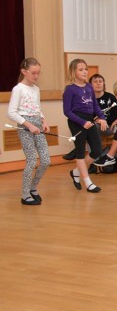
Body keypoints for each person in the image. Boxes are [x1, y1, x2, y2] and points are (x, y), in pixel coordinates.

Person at [8, 58, 51, 205]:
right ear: (24, 72)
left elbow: (37, 108)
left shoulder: (36, 89)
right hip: (25, 127)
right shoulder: (18, 89)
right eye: (33, 73)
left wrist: (43, 120)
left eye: (38, 73)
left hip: (37, 124)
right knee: (32, 160)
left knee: (46, 160)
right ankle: (25, 194)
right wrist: (29, 125)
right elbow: (11, 113)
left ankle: (33, 187)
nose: (36, 76)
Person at [63, 59, 109, 193]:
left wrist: (102, 118)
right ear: (73, 72)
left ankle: (76, 172)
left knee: (97, 150)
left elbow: (95, 105)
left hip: (89, 120)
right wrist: (82, 122)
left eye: (85, 69)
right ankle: (88, 182)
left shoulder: (89, 87)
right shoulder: (70, 89)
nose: (84, 72)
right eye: (81, 69)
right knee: (80, 152)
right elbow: (67, 111)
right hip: (77, 122)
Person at [90, 73, 117, 170]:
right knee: (91, 129)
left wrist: (104, 120)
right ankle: (100, 155)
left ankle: (97, 158)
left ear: (104, 84)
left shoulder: (110, 97)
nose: (98, 83)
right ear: (90, 85)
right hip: (95, 126)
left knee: (93, 129)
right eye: (95, 82)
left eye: (100, 81)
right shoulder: (88, 99)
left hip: (110, 126)